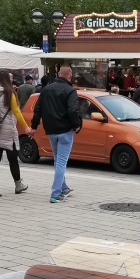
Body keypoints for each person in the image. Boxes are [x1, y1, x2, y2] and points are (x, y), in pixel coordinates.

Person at [29, 65, 81, 203]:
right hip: (65, 130)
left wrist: (34, 126)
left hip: (51, 130)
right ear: (70, 76)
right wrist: (77, 125)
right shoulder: (70, 90)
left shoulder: (46, 89)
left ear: (58, 74)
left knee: (58, 160)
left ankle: (63, 188)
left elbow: (38, 109)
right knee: (61, 162)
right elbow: (73, 110)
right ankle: (56, 193)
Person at [0, 69, 28, 198]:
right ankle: (18, 184)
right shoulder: (10, 93)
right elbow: (16, 112)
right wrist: (25, 127)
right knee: (13, 159)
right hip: (8, 130)